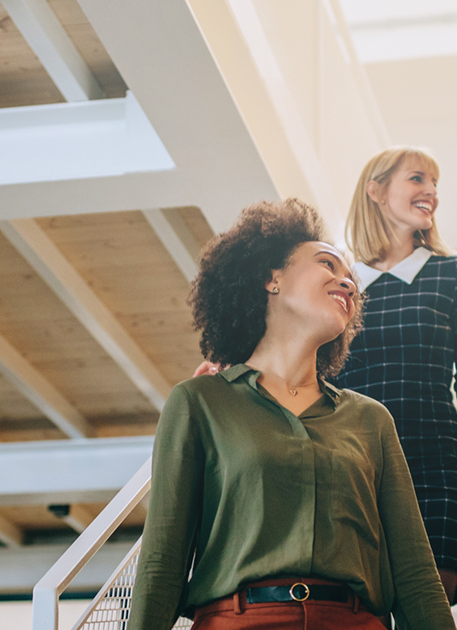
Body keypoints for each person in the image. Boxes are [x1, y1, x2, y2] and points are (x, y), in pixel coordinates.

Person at [127, 199, 454, 630]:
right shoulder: (199, 402)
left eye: (350, 278)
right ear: (271, 278)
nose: (348, 284)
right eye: (327, 264)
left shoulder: (370, 420)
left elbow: (414, 578)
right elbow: (162, 566)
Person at [335, 146, 457, 606]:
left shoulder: (450, 274)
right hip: (354, 465)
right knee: (359, 603)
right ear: (376, 190)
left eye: (435, 185)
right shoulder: (341, 284)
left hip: (435, 460)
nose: (431, 192)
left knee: (430, 598)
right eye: (417, 179)